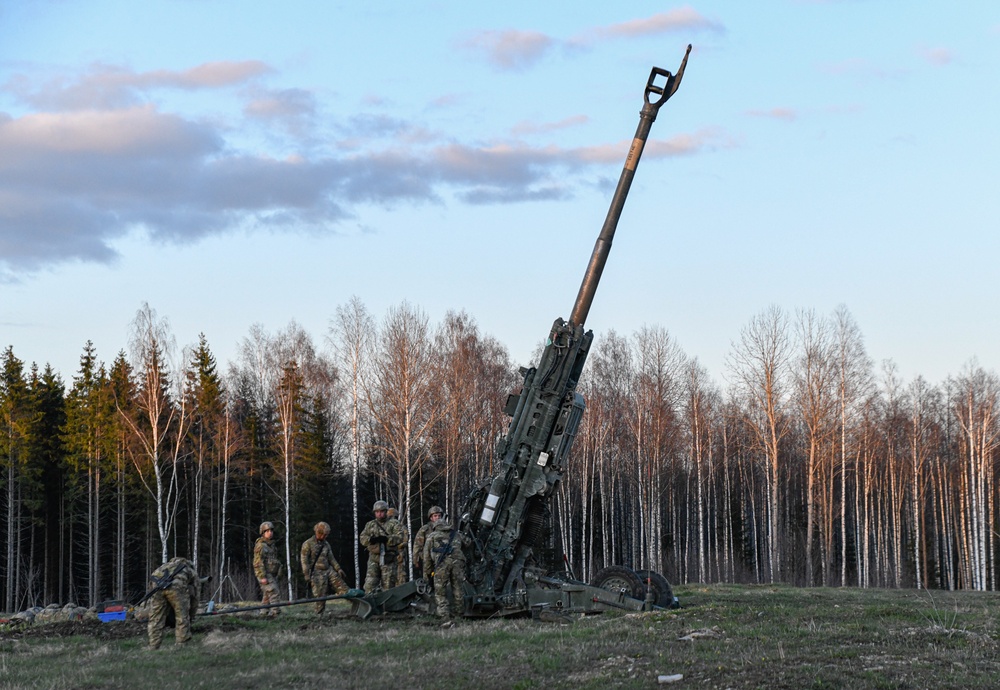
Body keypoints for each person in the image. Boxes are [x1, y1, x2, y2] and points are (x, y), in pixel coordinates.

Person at [146, 557, 204, 649]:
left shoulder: (164, 566)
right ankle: (182, 644)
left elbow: (151, 583)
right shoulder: (189, 569)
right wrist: (191, 614)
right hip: (176, 588)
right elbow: (196, 595)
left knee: (156, 618)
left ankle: (153, 645)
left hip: (156, 586)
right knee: (181, 616)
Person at [422, 515, 470, 619]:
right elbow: (468, 543)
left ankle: (444, 614)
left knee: (440, 590)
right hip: (458, 564)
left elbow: (426, 558)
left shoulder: (432, 536)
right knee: (458, 588)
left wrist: (427, 573)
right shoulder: (456, 534)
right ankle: (459, 613)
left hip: (442, 565)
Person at [300, 521, 349, 614]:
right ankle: (319, 614)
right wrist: (306, 574)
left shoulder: (326, 544)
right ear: (318, 533)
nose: (325, 537)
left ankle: (357, 605)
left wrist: (338, 569)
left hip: (328, 570)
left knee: (343, 589)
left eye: (326, 535)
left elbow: (331, 558)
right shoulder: (308, 544)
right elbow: (304, 561)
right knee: (320, 595)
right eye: (324, 535)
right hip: (316, 572)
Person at [358, 500, 404, 593]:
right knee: (369, 586)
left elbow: (400, 537)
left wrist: (387, 539)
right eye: (377, 512)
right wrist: (370, 540)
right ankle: (371, 606)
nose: (379, 514)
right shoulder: (370, 524)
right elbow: (362, 537)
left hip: (389, 559)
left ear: (386, 511)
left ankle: (386, 607)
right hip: (374, 559)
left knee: (388, 588)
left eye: (381, 511)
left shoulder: (394, 523)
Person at [253, 521, 282, 610]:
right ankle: (275, 613)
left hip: (271, 574)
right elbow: (257, 562)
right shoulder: (261, 546)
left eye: (271, 531)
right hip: (265, 574)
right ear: (263, 532)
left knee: (267, 597)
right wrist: (262, 576)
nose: (270, 533)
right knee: (274, 592)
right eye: (267, 531)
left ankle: (263, 614)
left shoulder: (271, 546)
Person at [412, 505, 443, 578]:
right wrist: (415, 560)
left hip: (441, 559)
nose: (438, 518)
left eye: (439, 516)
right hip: (427, 560)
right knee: (427, 579)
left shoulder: (445, 528)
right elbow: (417, 545)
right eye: (435, 516)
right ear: (431, 518)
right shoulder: (425, 529)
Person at [386, 507, 409, 585]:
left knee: (397, 577)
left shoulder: (400, 527)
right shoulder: (401, 526)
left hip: (396, 555)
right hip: (394, 555)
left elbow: (405, 541)